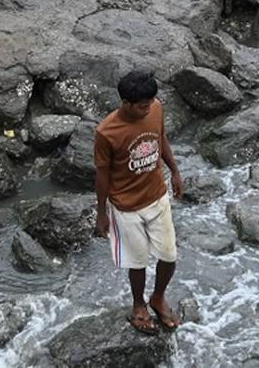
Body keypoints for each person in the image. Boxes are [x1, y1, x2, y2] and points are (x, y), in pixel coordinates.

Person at [94, 70, 185, 335]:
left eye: (150, 103)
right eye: (142, 106)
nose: (148, 109)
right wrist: (102, 213)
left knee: (169, 255)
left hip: (157, 195)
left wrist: (176, 172)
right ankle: (138, 305)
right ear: (126, 104)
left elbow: (161, 139)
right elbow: (102, 174)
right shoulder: (106, 132)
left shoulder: (155, 109)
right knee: (138, 261)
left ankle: (158, 297)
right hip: (125, 205)